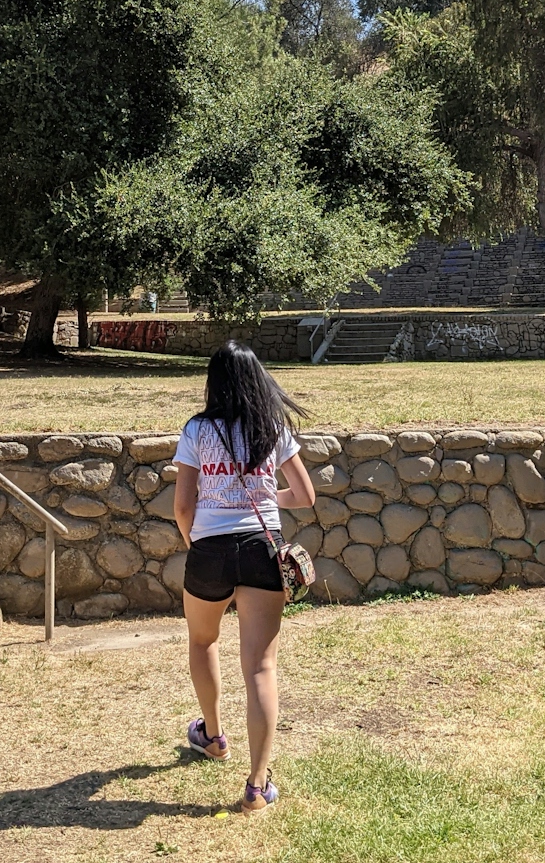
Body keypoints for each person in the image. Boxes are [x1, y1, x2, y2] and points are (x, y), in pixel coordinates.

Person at [173, 339, 316, 813]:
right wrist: (266, 499)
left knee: (202, 641)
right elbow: (304, 494)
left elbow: (182, 506)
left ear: (213, 381)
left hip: (210, 547)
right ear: (258, 378)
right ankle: (257, 784)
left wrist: (198, 540)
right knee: (260, 667)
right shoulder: (272, 427)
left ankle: (212, 736)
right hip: (262, 549)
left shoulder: (197, 429)